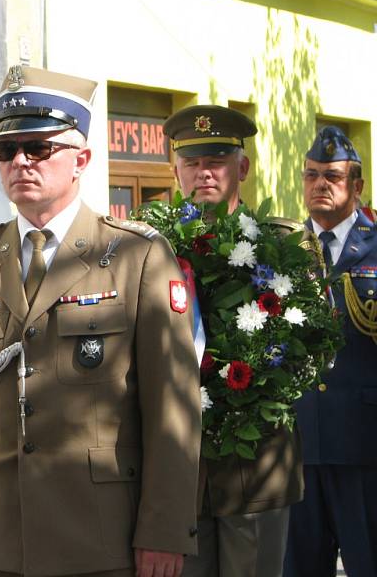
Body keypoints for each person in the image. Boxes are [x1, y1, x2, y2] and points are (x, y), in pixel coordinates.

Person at [0, 65, 201, 577]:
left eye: (38, 148)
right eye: (5, 149)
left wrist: (165, 529)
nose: (20, 161)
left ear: (81, 159)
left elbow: (172, 409)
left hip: (98, 536)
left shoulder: (137, 257)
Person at [163, 105, 303, 577]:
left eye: (217, 160)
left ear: (241, 167)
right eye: (192, 161)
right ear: (175, 168)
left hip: (256, 464)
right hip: (180, 468)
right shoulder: (150, 248)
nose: (203, 172)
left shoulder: (283, 246)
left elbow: (307, 355)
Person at [284, 126, 377, 577]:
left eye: (333, 177)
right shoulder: (282, 249)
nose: (320, 184)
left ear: (357, 186)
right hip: (297, 446)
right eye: (312, 175)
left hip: (364, 445)